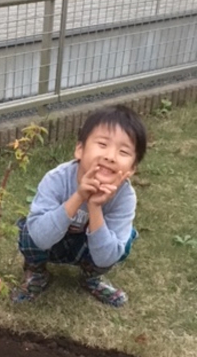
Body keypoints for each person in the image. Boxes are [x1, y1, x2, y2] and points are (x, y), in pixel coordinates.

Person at [11, 104, 147, 308]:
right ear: (80, 150)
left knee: (123, 242)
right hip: (54, 242)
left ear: (132, 168)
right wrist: (79, 196)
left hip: (88, 248)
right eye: (102, 144)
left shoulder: (125, 196)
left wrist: (95, 206)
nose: (110, 156)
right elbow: (40, 235)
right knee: (29, 229)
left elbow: (106, 257)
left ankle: (91, 279)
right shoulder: (57, 178)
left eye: (123, 151)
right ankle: (37, 274)